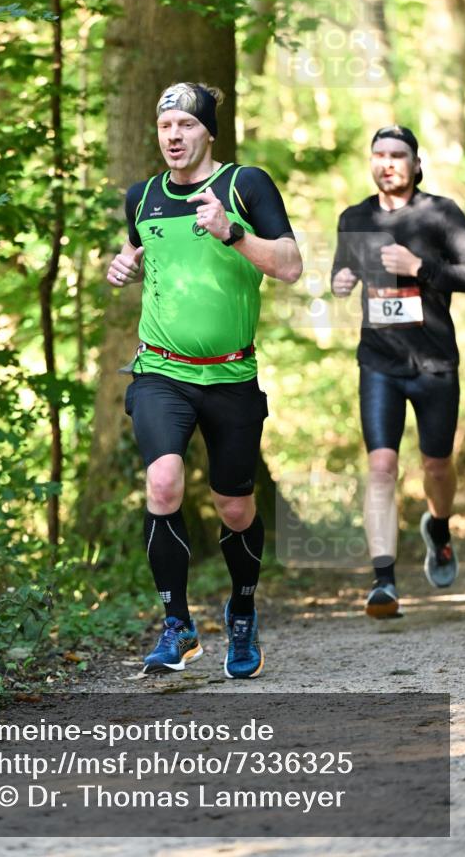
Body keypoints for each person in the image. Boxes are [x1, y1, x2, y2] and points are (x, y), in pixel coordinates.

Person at [106, 82, 302, 677]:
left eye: (186, 125)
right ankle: (177, 625)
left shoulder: (246, 186)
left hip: (231, 375)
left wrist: (232, 232)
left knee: (234, 507)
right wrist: (125, 264)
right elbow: (143, 252)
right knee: (162, 484)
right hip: (160, 370)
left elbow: (291, 266)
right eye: (165, 125)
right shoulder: (142, 197)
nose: (173, 135)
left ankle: (241, 610)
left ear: (209, 132)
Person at [331, 125, 465, 618]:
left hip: (434, 363)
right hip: (379, 362)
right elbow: (342, 271)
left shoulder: (441, 213)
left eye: (397, 155)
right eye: (379, 154)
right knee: (381, 467)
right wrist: (340, 279)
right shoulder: (355, 217)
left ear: (415, 163)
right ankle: (383, 583)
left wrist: (420, 267)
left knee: (436, 466)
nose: (387, 162)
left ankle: (438, 527)